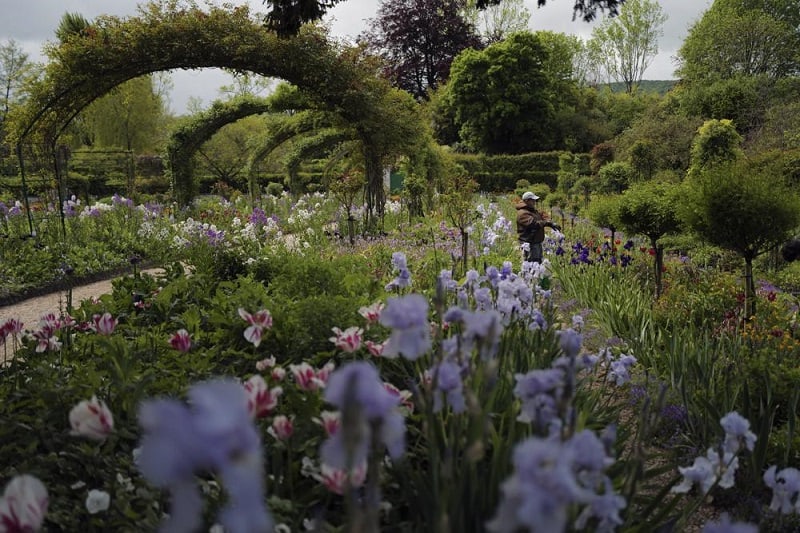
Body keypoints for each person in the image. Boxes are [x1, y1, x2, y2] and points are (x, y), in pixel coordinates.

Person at [516, 191, 561, 263]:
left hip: (536, 242)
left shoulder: (531, 210)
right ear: (527, 201)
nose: (534, 202)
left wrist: (551, 223)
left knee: (538, 263)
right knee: (532, 265)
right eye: (532, 200)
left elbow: (541, 216)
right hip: (529, 244)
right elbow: (534, 224)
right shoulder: (523, 213)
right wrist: (547, 223)